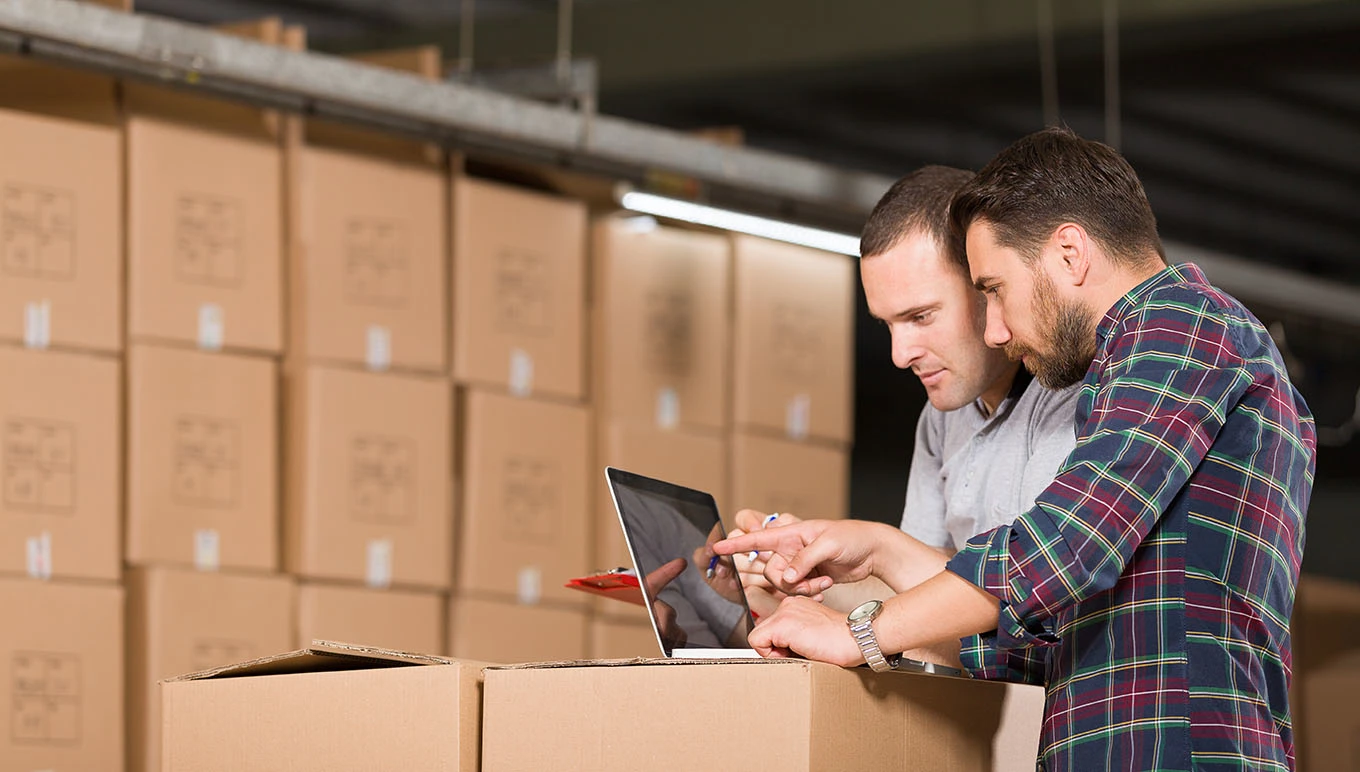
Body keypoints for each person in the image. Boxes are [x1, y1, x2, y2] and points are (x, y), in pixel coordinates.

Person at [716, 127, 1316, 771]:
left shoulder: (1186, 326)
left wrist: (858, 632)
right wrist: (859, 574)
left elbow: (1061, 548)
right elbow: (1038, 642)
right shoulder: (1132, 369)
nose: (995, 328)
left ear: (1069, 253)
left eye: (995, 288)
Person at [716, 165, 1079, 671]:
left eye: (921, 316)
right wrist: (812, 577)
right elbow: (921, 608)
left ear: (987, 285)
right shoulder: (941, 418)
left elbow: (1031, 602)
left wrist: (882, 549)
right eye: (887, 324)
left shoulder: (1073, 396)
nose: (899, 353)